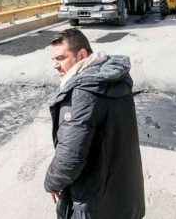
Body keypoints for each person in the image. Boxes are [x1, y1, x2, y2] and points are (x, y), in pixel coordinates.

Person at [45, 29, 145, 219]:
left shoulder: (81, 94)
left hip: (95, 204)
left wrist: (52, 182)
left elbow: (69, 157)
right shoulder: (115, 79)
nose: (55, 65)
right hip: (126, 197)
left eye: (61, 58)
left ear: (81, 55)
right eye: (53, 59)